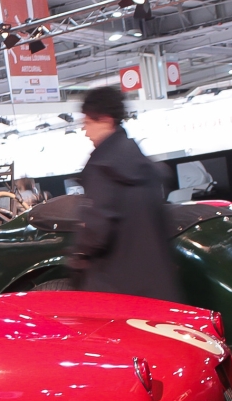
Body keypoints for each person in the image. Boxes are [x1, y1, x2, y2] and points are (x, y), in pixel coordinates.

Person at [72, 86, 179, 302]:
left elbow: (97, 230)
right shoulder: (144, 166)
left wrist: (79, 256)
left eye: (88, 123)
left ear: (105, 120)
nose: (85, 131)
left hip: (117, 290)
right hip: (158, 286)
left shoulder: (102, 168)